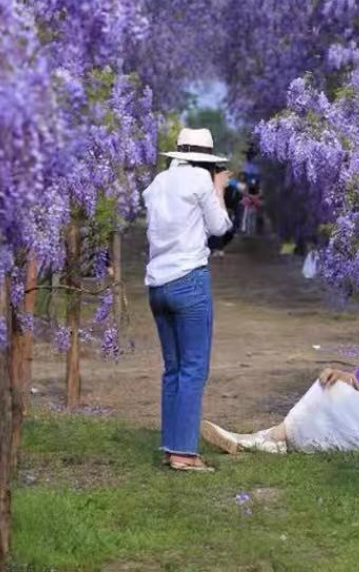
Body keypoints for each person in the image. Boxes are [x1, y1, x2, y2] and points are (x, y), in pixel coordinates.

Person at [201, 300, 359, 454]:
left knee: (330, 393)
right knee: (330, 385)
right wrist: (341, 375)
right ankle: (267, 438)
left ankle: (263, 439)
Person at [143, 127, 232, 472]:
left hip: (157, 285)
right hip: (189, 282)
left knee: (174, 369)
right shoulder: (199, 180)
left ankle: (172, 447)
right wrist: (219, 188)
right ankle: (183, 454)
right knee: (194, 368)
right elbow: (220, 227)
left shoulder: (158, 183)